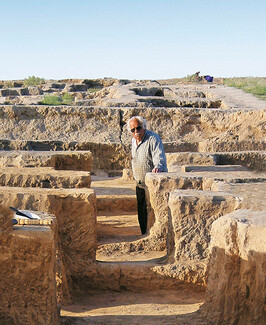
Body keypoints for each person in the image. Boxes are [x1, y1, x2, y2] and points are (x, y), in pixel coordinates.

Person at [127, 116, 168, 235]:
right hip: (139, 183)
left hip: (152, 185)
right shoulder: (133, 141)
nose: (136, 132)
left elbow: (158, 156)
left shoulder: (152, 138)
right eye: (133, 130)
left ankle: (154, 235)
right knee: (141, 211)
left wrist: (158, 167)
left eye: (138, 128)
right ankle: (144, 235)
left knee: (153, 211)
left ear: (144, 126)